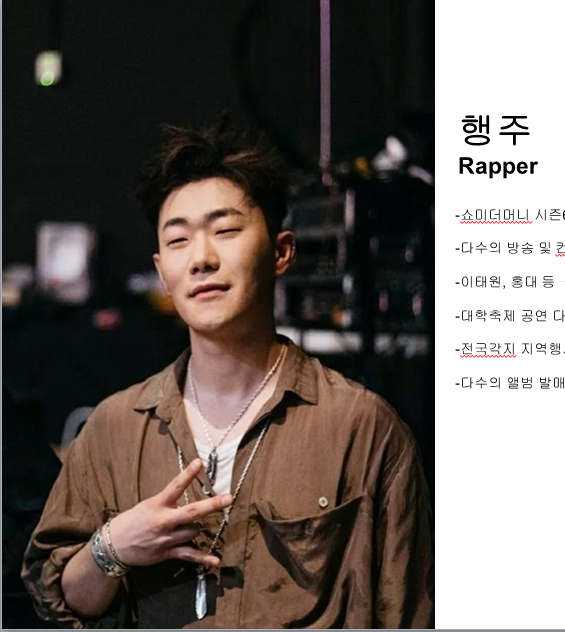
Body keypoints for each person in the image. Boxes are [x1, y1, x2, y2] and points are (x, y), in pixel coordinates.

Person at [21, 119, 434, 629]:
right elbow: (63, 597)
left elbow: (405, 611)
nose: (201, 259)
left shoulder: (362, 429)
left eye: (225, 231)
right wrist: (113, 547)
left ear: (281, 251)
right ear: (162, 272)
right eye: (178, 240)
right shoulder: (114, 428)